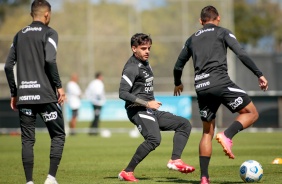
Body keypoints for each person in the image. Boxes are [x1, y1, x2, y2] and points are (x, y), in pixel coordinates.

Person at [173, 5, 268, 184]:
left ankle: (204, 178)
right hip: (220, 82)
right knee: (251, 113)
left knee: (207, 133)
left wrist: (178, 82)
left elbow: (178, 66)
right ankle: (228, 135)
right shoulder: (222, 32)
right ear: (218, 18)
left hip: (201, 87)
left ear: (201, 22)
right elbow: (240, 53)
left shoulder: (191, 39)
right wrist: (259, 73)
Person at [118, 33, 195, 182]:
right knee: (154, 139)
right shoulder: (131, 67)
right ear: (134, 49)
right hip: (136, 110)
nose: (147, 51)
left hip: (149, 109)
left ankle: (175, 160)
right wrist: (147, 103)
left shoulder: (146, 63)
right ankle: (127, 172)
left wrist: (150, 101)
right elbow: (122, 93)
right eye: (143, 48)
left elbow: (143, 88)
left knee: (184, 124)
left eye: (149, 48)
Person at [4, 1, 66, 184]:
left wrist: (14, 93)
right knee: (58, 135)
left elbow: (8, 66)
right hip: (46, 95)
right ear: (47, 14)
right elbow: (50, 60)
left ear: (33, 14)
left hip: (25, 96)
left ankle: (29, 181)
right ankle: (50, 178)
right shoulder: (50, 32)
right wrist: (59, 86)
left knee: (27, 140)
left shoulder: (18, 35)